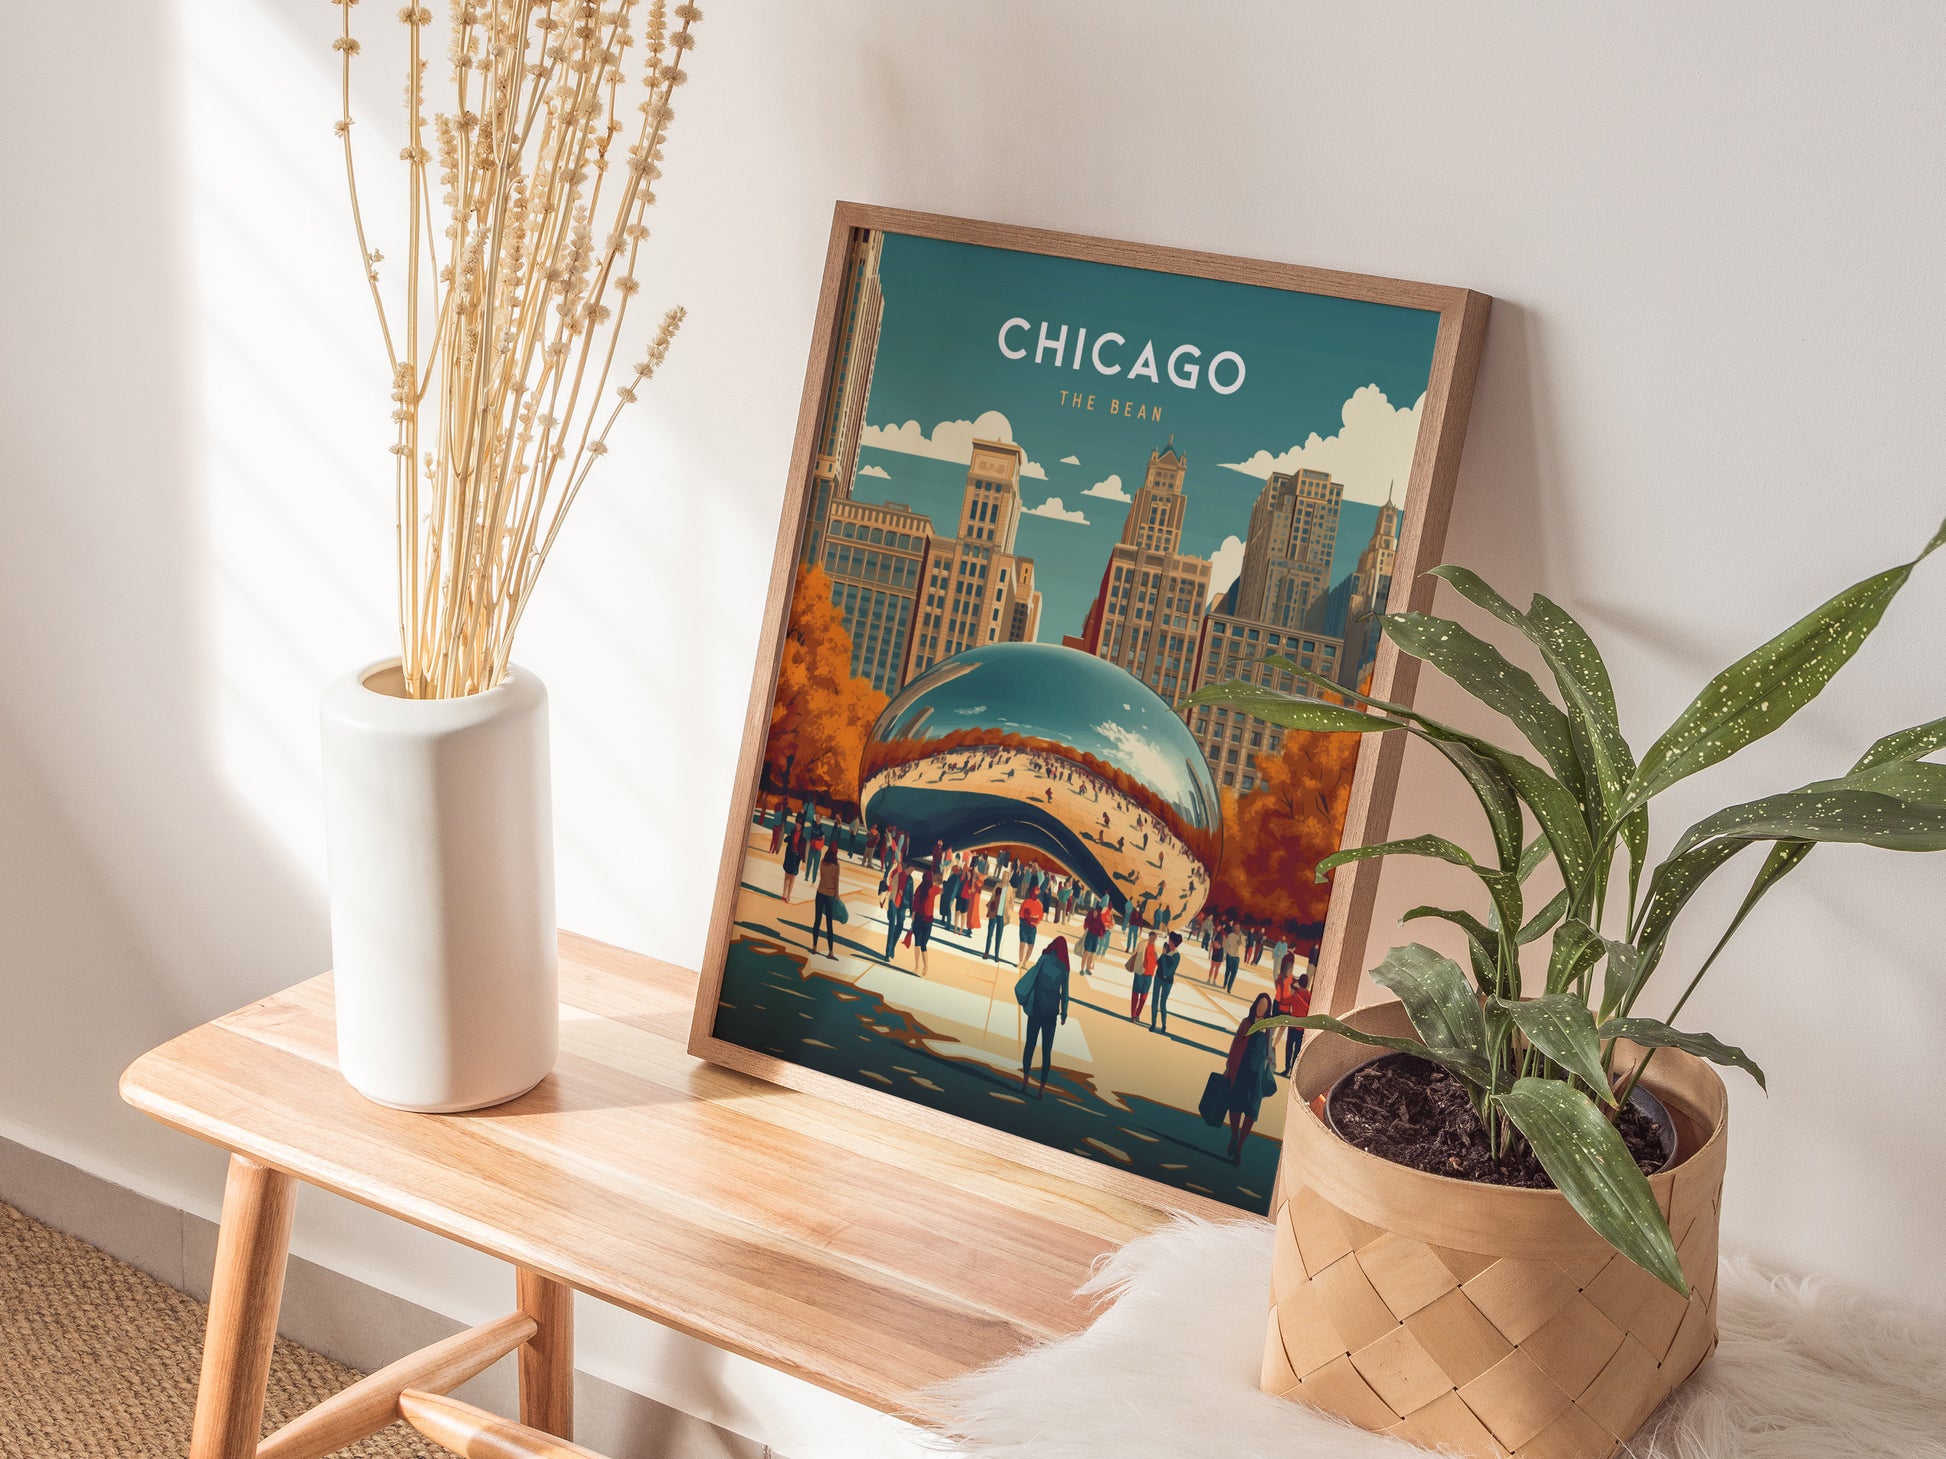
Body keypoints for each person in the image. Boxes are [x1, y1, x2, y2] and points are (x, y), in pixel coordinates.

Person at [1224, 993, 1278, 1165]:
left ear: (1268, 1009)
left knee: (1250, 1113)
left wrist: (1271, 1066)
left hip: (1257, 1078)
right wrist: (1228, 1067)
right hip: (1241, 1072)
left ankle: (1239, 1147)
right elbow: (1235, 1045)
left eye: (1265, 1005)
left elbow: (1270, 1051)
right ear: (1255, 1005)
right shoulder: (1246, 1023)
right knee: (1234, 1108)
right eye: (1260, 1004)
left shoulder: (1269, 1028)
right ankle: (1234, 1135)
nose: (1262, 1007)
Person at [1017, 935, 1071, 1098]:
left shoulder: (1044, 959)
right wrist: (1064, 1012)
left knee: (1030, 1045)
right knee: (1046, 1051)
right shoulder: (1064, 968)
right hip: (1051, 1013)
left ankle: (1025, 1081)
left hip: (1036, 1009)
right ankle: (1041, 1089)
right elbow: (1065, 994)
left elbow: (1033, 979)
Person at [1277, 964, 1312, 1076]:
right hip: (1302, 1027)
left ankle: (1287, 1069)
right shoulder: (1309, 995)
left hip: (1293, 1025)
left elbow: (1285, 1001)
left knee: (1289, 1049)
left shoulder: (1296, 994)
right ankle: (1293, 1071)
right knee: (1297, 1051)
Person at [810, 849, 841, 957]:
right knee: (829, 924)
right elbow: (836, 881)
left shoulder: (823, 862)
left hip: (820, 893)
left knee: (817, 921)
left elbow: (823, 876)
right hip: (830, 896)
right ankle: (830, 951)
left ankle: (814, 947)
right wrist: (837, 895)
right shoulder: (836, 865)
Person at [880, 864, 913, 963]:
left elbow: (911, 895)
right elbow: (886, 885)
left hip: (903, 906)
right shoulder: (895, 872)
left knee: (900, 926)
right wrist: (883, 899)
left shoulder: (910, 880)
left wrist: (912, 912)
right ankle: (887, 952)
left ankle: (892, 947)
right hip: (893, 902)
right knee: (891, 927)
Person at [910, 867, 939, 977]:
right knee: (923, 945)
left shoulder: (919, 888)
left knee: (917, 943)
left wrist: (912, 919)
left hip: (918, 918)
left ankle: (917, 966)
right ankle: (925, 966)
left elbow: (915, 904)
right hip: (928, 920)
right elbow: (942, 891)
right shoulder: (933, 888)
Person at [1150, 932, 1181, 1033]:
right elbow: (1158, 963)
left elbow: (1168, 972)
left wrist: (1164, 955)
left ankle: (1163, 1025)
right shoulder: (1166, 948)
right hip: (1158, 978)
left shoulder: (1176, 956)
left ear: (1173, 943)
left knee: (1163, 1003)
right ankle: (1153, 1023)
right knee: (1154, 1000)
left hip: (1167, 981)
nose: (1168, 942)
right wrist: (1161, 955)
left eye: (1170, 941)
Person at [1130, 931, 1158, 1021]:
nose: (1154, 939)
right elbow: (1135, 954)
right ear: (1150, 936)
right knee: (1135, 995)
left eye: (1155, 938)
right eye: (1153, 937)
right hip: (1140, 973)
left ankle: (1138, 1014)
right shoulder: (1142, 944)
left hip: (1149, 975)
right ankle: (1133, 1015)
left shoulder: (1155, 948)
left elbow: (1157, 961)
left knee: (1143, 997)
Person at [1016, 886, 1045, 968]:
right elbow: (1021, 914)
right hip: (1024, 925)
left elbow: (1040, 917)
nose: (1036, 894)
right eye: (1035, 891)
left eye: (1038, 892)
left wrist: (1034, 920)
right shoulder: (1026, 902)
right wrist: (1028, 918)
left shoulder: (1039, 904)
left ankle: (1025, 962)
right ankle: (1020, 961)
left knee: (1030, 946)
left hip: (1032, 927)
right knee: (1022, 944)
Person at [983, 878, 1010, 960]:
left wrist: (1008, 913)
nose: (1003, 876)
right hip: (994, 912)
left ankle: (996, 955)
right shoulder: (998, 885)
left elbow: (1010, 902)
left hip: (1001, 915)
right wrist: (989, 909)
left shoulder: (1009, 889)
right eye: (1003, 875)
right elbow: (992, 897)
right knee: (990, 933)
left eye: (1005, 875)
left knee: (999, 936)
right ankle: (986, 952)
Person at [779, 823, 803, 904]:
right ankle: (784, 894)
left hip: (796, 858)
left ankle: (789, 896)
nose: (797, 825)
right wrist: (790, 834)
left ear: (801, 825)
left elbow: (802, 848)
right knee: (786, 875)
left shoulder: (803, 835)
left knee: (792, 877)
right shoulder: (792, 832)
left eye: (799, 824)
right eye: (796, 823)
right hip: (789, 856)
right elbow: (785, 840)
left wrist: (802, 858)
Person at [1222, 923, 1244, 992]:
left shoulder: (1241, 936)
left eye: (1238, 928)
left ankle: (1229, 988)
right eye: (1236, 928)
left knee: (1234, 973)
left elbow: (1244, 944)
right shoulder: (1230, 936)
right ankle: (1225, 983)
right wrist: (1224, 955)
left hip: (1237, 957)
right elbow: (1226, 945)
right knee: (1228, 971)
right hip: (1230, 955)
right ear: (1234, 928)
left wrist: (1241, 938)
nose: (1237, 929)